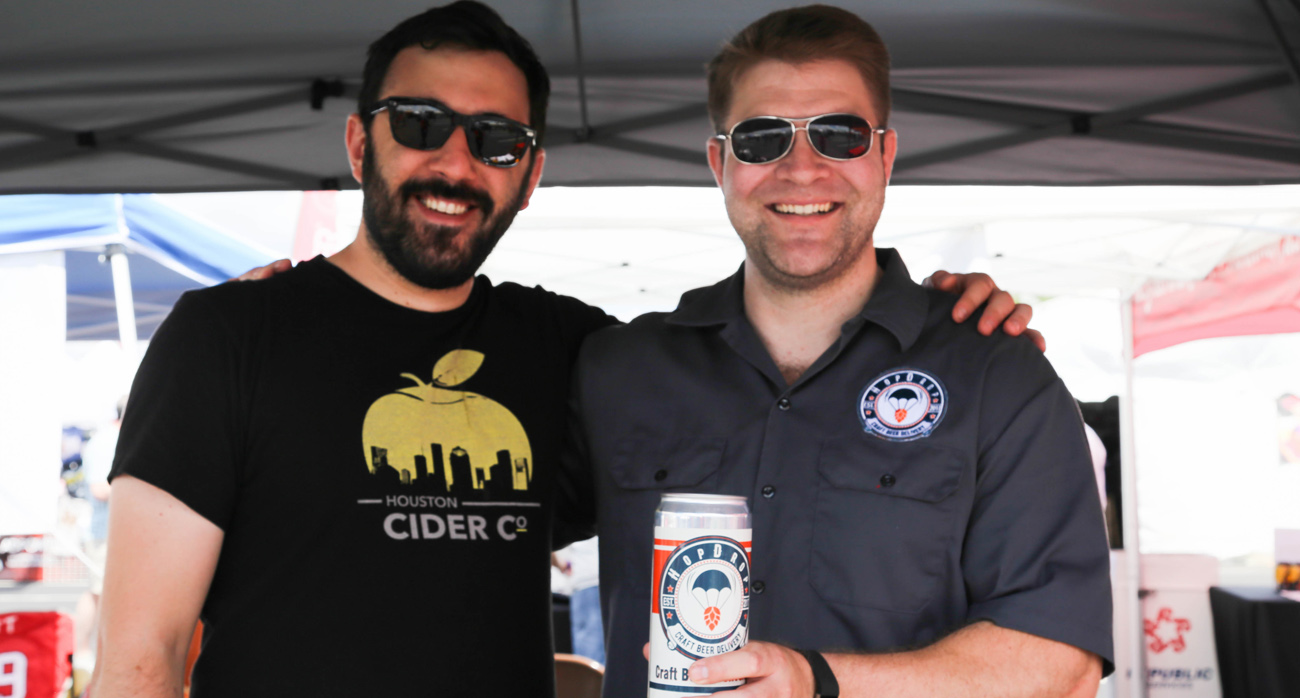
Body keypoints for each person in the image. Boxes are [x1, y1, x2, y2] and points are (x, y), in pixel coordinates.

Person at [92, 3, 1038, 696]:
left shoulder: (574, 352)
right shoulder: (228, 339)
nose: (456, 162)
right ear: (358, 143)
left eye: (497, 141)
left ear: (532, 173)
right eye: (420, 125)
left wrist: (937, 319)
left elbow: (777, 379)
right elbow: (142, 658)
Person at [566, 6, 1112, 698]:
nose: (802, 169)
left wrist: (817, 681)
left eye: (839, 135)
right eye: (762, 138)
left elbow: (1061, 664)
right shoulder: (618, 370)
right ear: (719, 163)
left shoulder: (997, 376)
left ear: (885, 155)